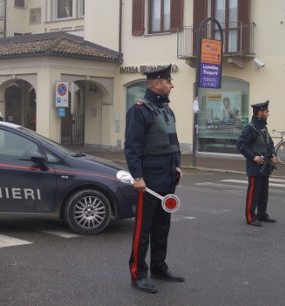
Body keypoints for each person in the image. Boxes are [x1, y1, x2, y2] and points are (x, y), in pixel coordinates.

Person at [124, 64, 184, 293]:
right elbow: (132, 147)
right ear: (157, 83)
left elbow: (173, 141)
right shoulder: (139, 110)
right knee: (143, 229)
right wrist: (137, 177)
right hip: (148, 181)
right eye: (169, 82)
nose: (172, 85)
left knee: (162, 226)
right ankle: (138, 273)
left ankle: (159, 267)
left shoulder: (167, 110)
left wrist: (177, 166)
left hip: (167, 177)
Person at [236, 100, 277, 227]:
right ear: (259, 113)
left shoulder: (263, 127)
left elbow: (269, 143)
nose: (268, 113)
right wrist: (253, 156)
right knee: (253, 193)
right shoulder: (250, 128)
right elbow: (241, 145)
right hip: (255, 167)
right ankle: (250, 216)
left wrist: (273, 154)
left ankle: (261, 214)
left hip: (265, 166)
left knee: (264, 192)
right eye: (266, 111)